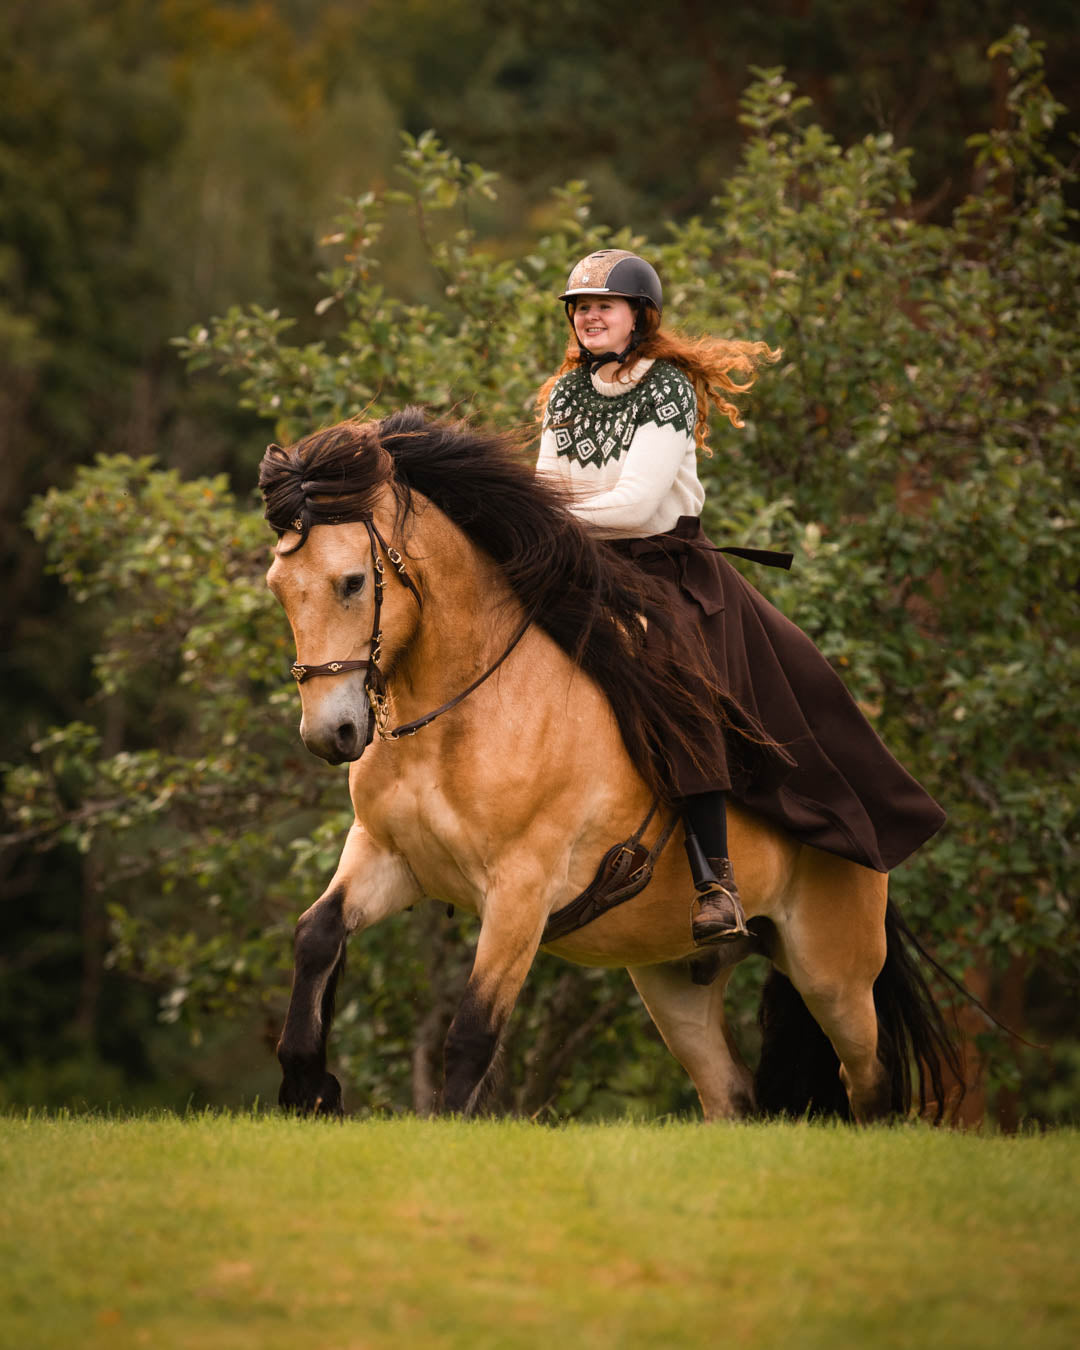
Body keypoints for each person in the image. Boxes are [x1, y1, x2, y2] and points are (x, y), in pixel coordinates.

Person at [535, 248, 946, 945]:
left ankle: (715, 880)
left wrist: (551, 517)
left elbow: (635, 507)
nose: (589, 316)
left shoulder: (666, 386)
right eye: (580, 307)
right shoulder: (569, 393)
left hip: (663, 571)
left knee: (679, 685)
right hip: (582, 567)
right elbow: (547, 483)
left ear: (640, 316)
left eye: (604, 304)